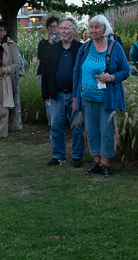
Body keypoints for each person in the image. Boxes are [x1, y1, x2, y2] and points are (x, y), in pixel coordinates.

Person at [73, 15, 130, 176]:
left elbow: (126, 70)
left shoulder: (114, 47)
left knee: (106, 131)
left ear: (105, 29)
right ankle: (97, 162)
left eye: (97, 27)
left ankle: (106, 164)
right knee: (91, 131)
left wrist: (112, 77)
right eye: (91, 27)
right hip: (87, 99)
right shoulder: (85, 47)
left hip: (107, 99)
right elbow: (76, 72)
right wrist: (76, 97)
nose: (93, 30)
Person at [41, 17, 84, 167]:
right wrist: (46, 93)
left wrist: (80, 94)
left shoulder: (81, 48)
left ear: (74, 30)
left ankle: (77, 156)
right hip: (57, 95)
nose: (63, 31)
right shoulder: (52, 49)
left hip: (75, 94)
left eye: (67, 28)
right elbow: (46, 72)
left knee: (77, 127)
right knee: (56, 126)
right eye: (61, 28)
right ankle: (59, 156)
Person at [37, 16, 60, 126]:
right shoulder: (43, 43)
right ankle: (52, 124)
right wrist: (49, 44)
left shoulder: (62, 42)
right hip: (44, 73)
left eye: (55, 26)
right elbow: (41, 56)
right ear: (47, 28)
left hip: (58, 74)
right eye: (51, 26)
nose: (53, 29)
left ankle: (60, 124)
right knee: (48, 100)